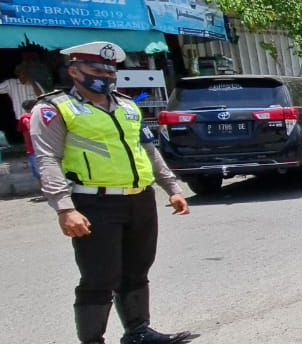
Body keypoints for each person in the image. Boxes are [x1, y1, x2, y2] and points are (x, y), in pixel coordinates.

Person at [31, 42, 192, 344]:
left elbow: (147, 150)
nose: (105, 76)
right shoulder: (55, 108)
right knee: (100, 277)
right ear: (74, 71)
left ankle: (138, 332)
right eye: (96, 70)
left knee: (137, 269)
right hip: (94, 202)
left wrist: (172, 188)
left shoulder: (128, 106)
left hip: (139, 198)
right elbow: (47, 159)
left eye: (111, 70)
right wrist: (65, 208)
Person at [18, 98, 38, 181]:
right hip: (37, 150)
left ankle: (45, 193)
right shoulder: (26, 118)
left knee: (39, 175)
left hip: (33, 150)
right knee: (41, 174)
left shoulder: (24, 118)